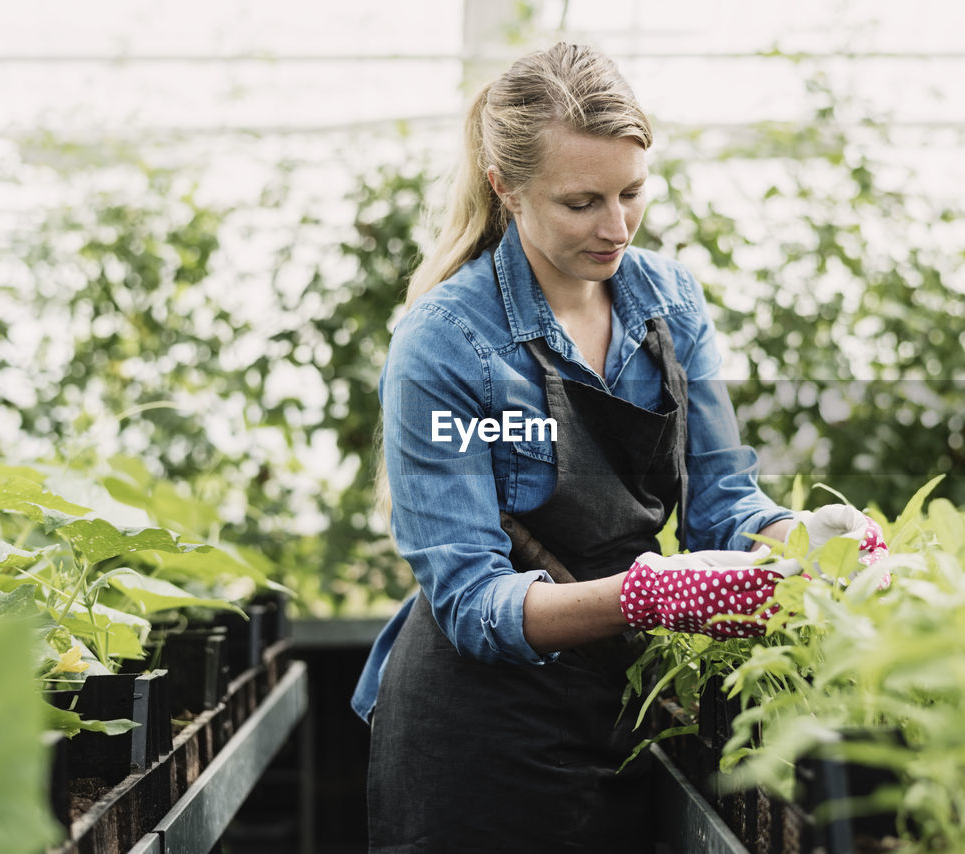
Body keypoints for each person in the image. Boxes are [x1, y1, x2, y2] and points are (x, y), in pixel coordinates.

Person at [350, 42, 887, 853]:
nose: (616, 227)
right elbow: (468, 599)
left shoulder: (670, 303)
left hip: (625, 709)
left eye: (632, 193)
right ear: (508, 189)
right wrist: (645, 597)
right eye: (581, 202)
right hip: (479, 734)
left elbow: (720, 507)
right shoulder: (447, 343)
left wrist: (810, 543)